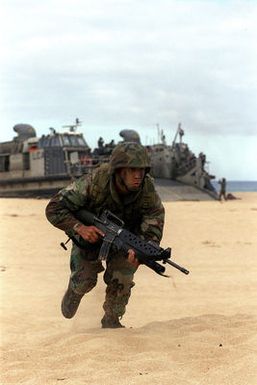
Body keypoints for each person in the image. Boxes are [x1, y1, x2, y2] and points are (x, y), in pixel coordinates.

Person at [45, 142, 165, 328]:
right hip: (89, 237)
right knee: (85, 281)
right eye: (132, 169)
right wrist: (79, 228)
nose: (138, 175)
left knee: (122, 277)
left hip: (124, 240)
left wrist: (148, 245)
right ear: (119, 170)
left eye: (142, 170)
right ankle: (74, 291)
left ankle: (111, 321)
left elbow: (154, 216)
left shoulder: (147, 190)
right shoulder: (95, 182)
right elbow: (54, 207)